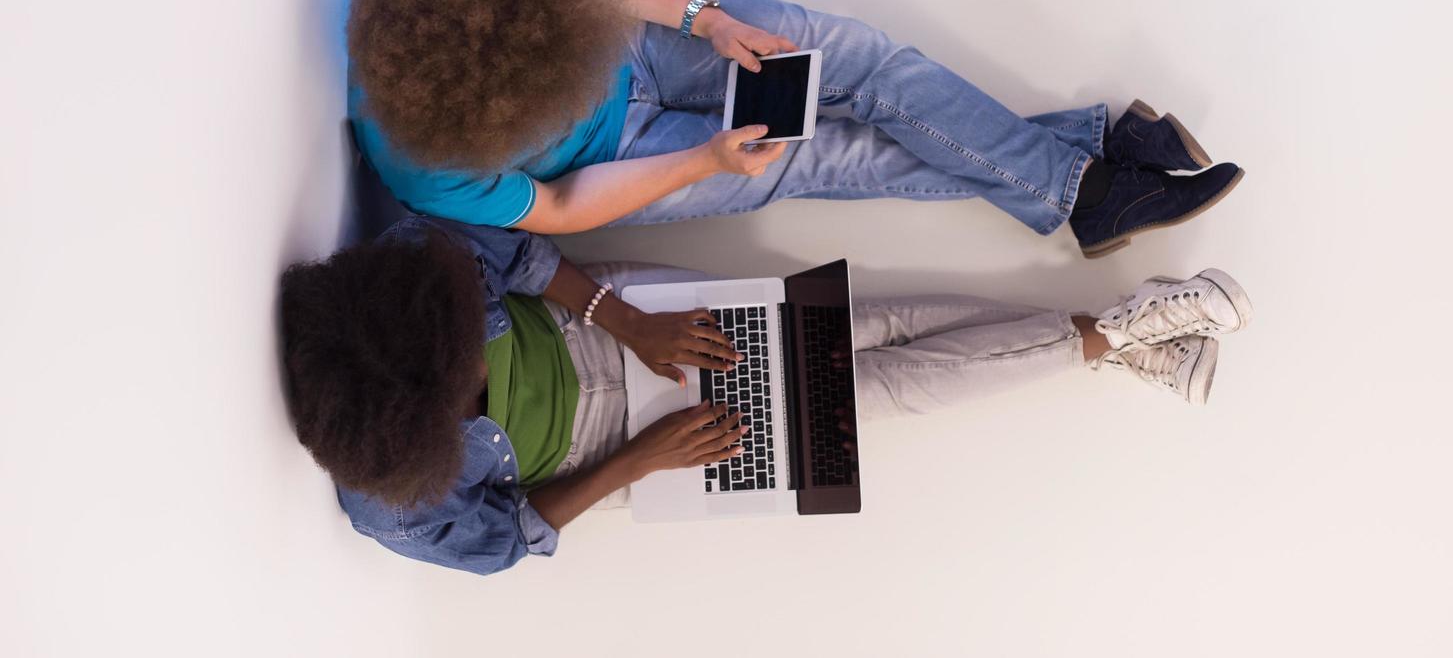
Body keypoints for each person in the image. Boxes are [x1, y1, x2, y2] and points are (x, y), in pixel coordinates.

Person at [279, 216, 1254, 576]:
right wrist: (639, 460)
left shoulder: (403, 269)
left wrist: (628, 319)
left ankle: (1115, 337)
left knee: (872, 320)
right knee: (884, 391)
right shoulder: (386, 500)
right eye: (470, 385)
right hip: (630, 438)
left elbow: (519, 254)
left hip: (619, 321)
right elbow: (504, 539)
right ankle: (1117, 335)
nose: (481, 369)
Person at [346, 0, 1243, 258]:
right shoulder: (422, 162)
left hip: (648, 39)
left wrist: (708, 18)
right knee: (837, 158)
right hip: (628, 159)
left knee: (860, 62)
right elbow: (562, 211)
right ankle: (1087, 170)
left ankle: (1082, 177)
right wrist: (703, 161)